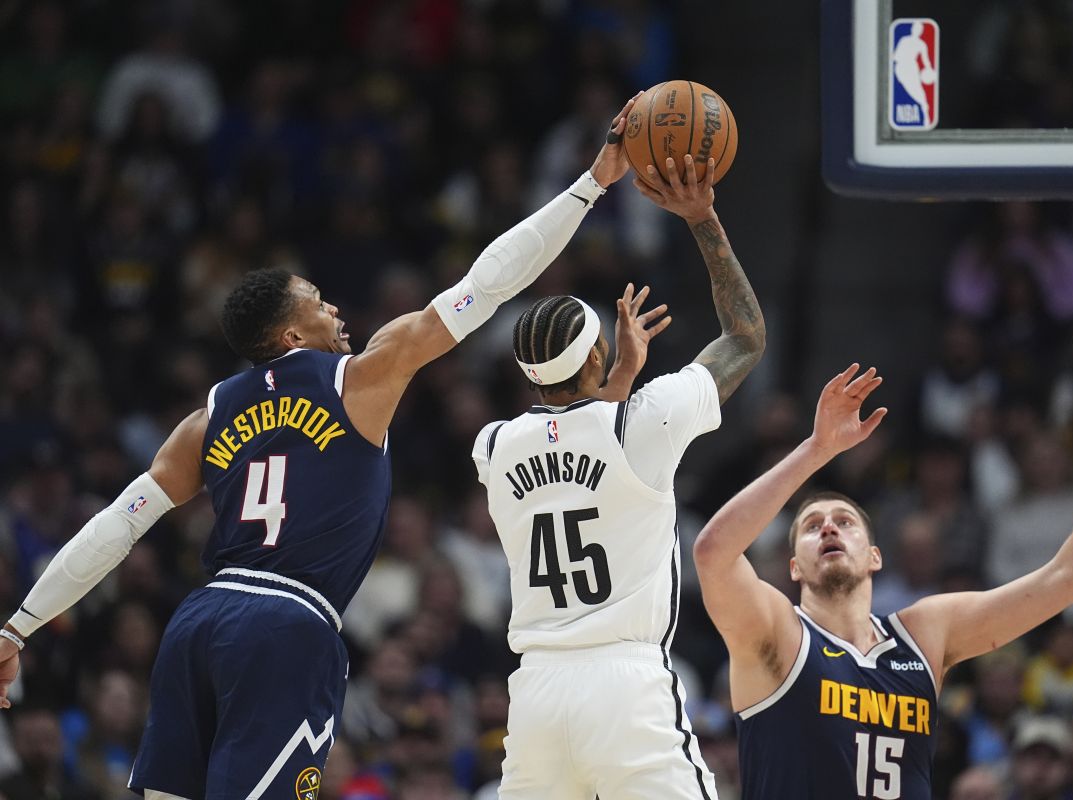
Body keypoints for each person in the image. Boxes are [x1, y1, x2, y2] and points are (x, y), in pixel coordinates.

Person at [0, 95, 643, 800]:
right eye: (316, 301)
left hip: (198, 621)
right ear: (291, 336)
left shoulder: (207, 417)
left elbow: (118, 525)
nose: (334, 307)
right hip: (287, 623)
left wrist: (19, 627)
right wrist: (591, 184)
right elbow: (486, 284)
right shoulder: (361, 378)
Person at [692, 366, 1073, 799]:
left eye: (845, 520)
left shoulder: (924, 632)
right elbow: (714, 552)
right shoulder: (776, 633)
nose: (829, 528)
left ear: (876, 557)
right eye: (812, 525)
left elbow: (1069, 579)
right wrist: (817, 450)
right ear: (794, 566)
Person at [472, 153, 765, 799]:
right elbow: (744, 338)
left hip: (538, 692)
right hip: (624, 684)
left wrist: (616, 377)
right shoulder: (645, 421)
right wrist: (704, 218)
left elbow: (574, 434)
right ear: (599, 353)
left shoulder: (492, 447)